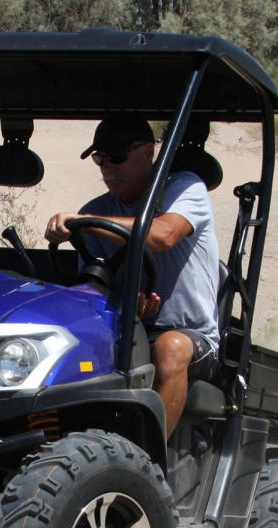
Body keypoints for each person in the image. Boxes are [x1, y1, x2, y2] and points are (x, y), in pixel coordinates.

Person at [45, 116, 220, 439]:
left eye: (117, 157)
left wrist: (85, 220)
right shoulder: (97, 209)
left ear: (147, 152)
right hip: (128, 329)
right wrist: (128, 308)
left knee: (171, 348)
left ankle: (148, 465)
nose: (108, 167)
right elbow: (93, 289)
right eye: (100, 159)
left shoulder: (184, 188)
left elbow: (164, 235)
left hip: (189, 334)